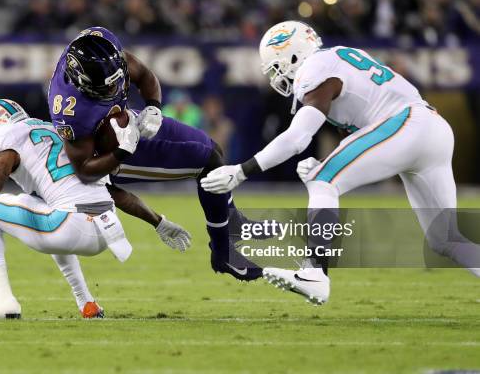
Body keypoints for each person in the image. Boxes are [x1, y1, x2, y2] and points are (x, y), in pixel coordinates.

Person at [201, 21, 480, 304]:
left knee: (324, 181)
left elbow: (297, 137)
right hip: (433, 130)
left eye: (277, 66)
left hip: (408, 124)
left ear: (293, 55)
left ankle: (315, 274)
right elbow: (357, 136)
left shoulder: (314, 69)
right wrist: (324, 163)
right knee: (445, 239)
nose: (278, 75)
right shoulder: (338, 58)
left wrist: (241, 171)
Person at [0, 99, 191, 319]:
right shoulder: (52, 129)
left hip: (69, 225)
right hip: (107, 228)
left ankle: (3, 301)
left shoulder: (7, 141)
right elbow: (114, 193)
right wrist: (159, 221)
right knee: (48, 204)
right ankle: (86, 303)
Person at [47, 26, 262, 281]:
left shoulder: (103, 50)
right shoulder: (70, 110)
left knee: (215, 149)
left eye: (118, 79)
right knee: (210, 163)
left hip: (132, 123)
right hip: (114, 157)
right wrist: (121, 152)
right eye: (106, 88)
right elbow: (83, 170)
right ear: (82, 82)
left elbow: (145, 75)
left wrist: (153, 107)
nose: (115, 88)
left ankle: (231, 221)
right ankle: (223, 252)